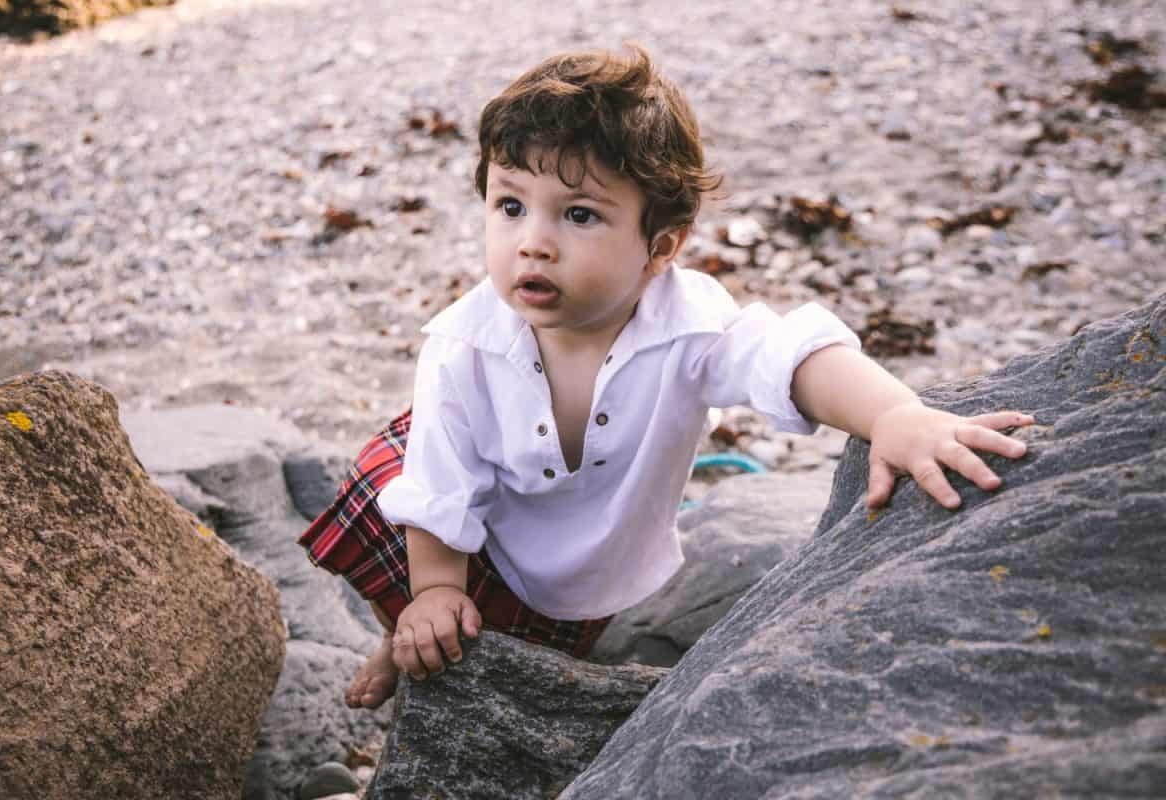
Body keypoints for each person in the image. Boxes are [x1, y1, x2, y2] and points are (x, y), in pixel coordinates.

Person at [297, 44, 1033, 709]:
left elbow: (788, 356)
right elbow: (440, 490)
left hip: (584, 570)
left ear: (659, 248)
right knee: (406, 509)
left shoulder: (687, 327)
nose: (534, 244)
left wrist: (895, 415)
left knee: (531, 653)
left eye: (579, 215)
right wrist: (431, 594)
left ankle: (428, 626)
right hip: (467, 529)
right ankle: (403, 632)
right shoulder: (463, 345)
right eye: (510, 206)